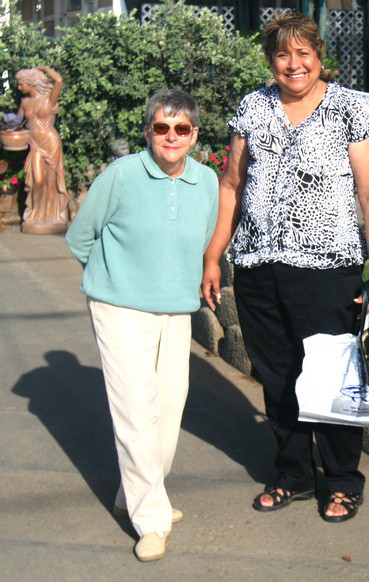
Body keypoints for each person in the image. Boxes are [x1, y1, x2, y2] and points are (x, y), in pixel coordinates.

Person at [202, 12, 369, 523]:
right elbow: (231, 186)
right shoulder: (252, 108)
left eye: (303, 53)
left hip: (326, 269)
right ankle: (293, 475)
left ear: (318, 56)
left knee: (330, 377)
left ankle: (343, 481)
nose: (294, 64)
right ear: (271, 59)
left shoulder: (350, 110)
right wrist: (214, 254)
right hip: (259, 266)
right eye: (283, 54)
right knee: (277, 376)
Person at [66, 89, 219, 560]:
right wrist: (115, 281)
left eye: (181, 129)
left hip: (176, 310)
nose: (171, 137)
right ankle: (151, 517)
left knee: (169, 410)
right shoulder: (122, 175)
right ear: (148, 130)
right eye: (161, 127)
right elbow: (81, 237)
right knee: (135, 411)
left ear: (194, 135)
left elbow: (203, 239)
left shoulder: (208, 181)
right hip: (119, 308)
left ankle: (133, 493)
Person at [16, 67, 69, 233]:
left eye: (20, 84)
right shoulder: (25, 102)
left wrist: (44, 69)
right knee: (37, 181)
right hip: (35, 145)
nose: (19, 88)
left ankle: (49, 216)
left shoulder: (49, 100)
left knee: (51, 181)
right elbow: (16, 123)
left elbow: (58, 80)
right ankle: (34, 214)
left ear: (30, 83)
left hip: (50, 143)